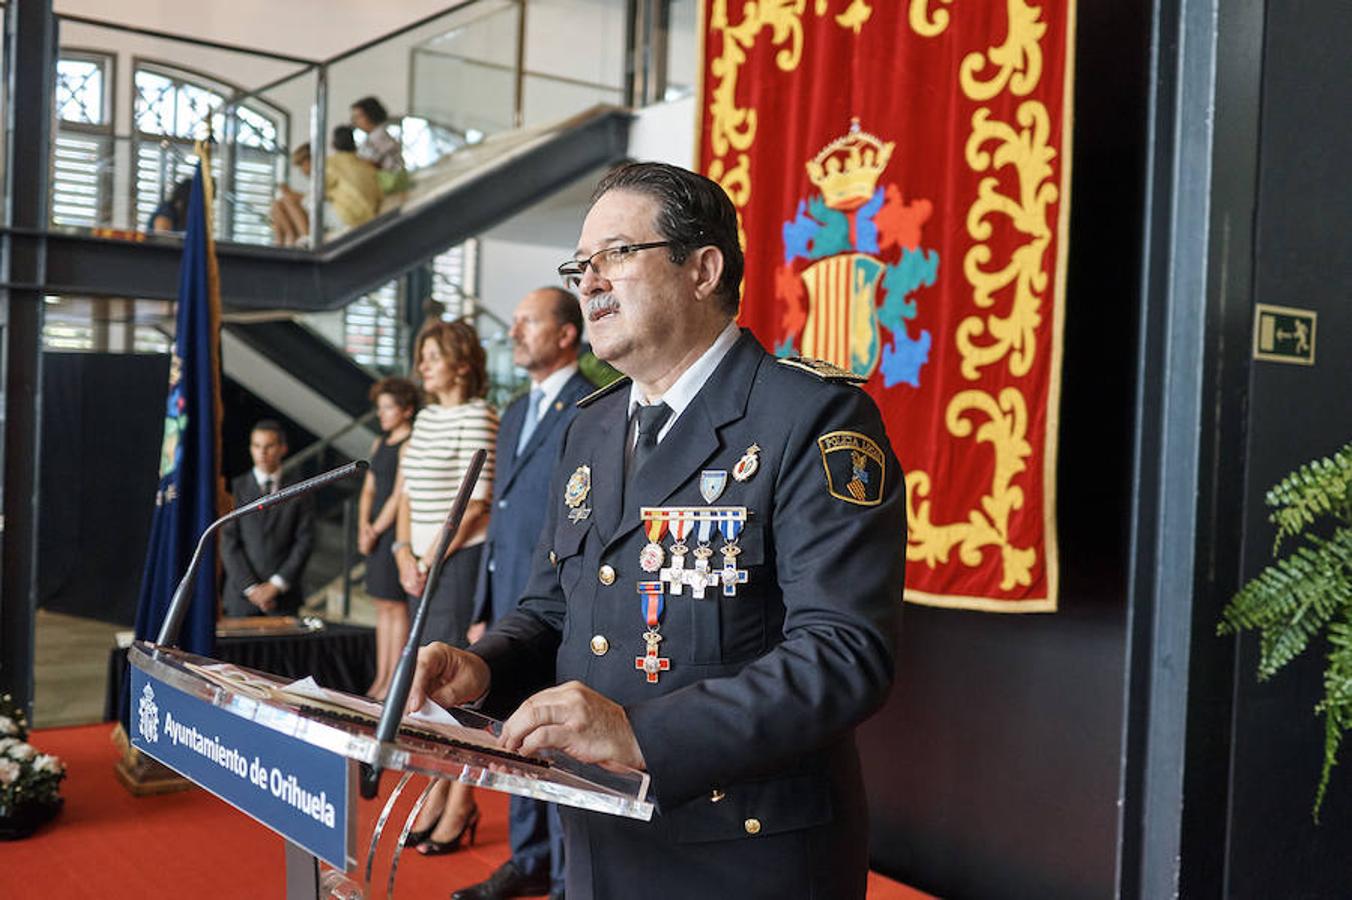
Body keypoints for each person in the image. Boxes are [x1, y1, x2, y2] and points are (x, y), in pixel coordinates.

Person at [406, 162, 906, 899]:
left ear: (703, 269)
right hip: (601, 834)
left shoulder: (811, 418)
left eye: (615, 254)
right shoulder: (591, 426)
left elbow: (845, 653)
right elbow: (554, 608)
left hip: (745, 851)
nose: (590, 281)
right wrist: (484, 669)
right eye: (581, 265)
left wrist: (643, 735)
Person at [453, 287, 592, 900]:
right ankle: (529, 856)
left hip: (564, 606)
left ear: (566, 333)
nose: (514, 333)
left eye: (527, 322)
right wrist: (486, 608)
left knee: (557, 745)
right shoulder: (512, 412)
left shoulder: (593, 406)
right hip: (511, 601)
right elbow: (503, 514)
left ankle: (565, 876)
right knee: (511, 737)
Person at [394, 319, 497, 855]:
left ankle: (459, 799)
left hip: (457, 563)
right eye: (422, 355)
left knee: (452, 689)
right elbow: (408, 493)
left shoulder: (480, 415)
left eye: (433, 355)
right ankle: (436, 790)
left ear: (462, 363)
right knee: (425, 688)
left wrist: (432, 556)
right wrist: (403, 552)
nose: (423, 365)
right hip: (422, 563)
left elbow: (476, 501)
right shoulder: (426, 417)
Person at [357, 377, 420, 700]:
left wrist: (376, 530)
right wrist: (362, 527)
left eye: (387, 408)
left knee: (396, 608)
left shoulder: (411, 442)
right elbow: (368, 489)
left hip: (394, 530)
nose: (381, 414)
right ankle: (380, 677)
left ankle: (391, 684)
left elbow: (399, 496)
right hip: (374, 532)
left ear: (406, 410)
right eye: (379, 408)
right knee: (382, 607)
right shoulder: (380, 442)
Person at [220, 420, 316, 617]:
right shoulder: (236, 488)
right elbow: (228, 541)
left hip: (283, 598)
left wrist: (276, 585)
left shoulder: (300, 490)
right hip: (241, 598)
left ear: (283, 448)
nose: (262, 453)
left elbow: (305, 541)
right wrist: (251, 588)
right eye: (256, 446)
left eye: (269, 446)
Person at [326, 125, 383, 229]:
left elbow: (320, 192)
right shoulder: (366, 165)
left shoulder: (330, 164)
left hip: (347, 217)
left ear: (333, 143)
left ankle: (301, 240)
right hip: (372, 215)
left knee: (308, 203)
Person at [350, 95, 407, 192]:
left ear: (370, 115)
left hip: (388, 184)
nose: (355, 121)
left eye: (359, 116)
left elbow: (372, 163)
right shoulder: (376, 136)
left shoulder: (378, 137)